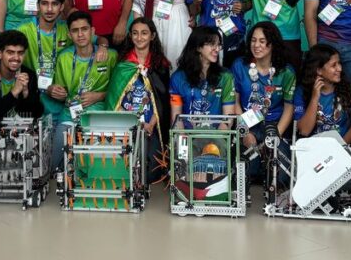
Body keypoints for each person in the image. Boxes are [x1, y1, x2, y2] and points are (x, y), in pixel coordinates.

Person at [44, 11, 119, 168]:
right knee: (54, 163)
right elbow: (58, 89)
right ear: (69, 35)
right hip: (70, 114)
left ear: (92, 31)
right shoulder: (64, 58)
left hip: (96, 115)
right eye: (75, 30)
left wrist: (99, 96)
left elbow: (119, 92)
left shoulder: (110, 56)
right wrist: (55, 91)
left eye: (84, 29)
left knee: (92, 164)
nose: (80, 34)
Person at [229, 21, 296, 179]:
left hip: (274, 125)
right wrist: (244, 132)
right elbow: (235, 102)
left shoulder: (286, 71)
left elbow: (289, 108)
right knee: (245, 172)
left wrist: (275, 136)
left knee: (281, 176)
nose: (256, 45)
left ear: (272, 44)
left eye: (262, 41)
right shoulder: (240, 65)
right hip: (248, 124)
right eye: (253, 40)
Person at [107, 18, 172, 178]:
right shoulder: (123, 64)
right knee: (121, 169)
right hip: (126, 123)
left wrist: (150, 124)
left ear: (152, 36)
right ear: (130, 36)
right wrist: (131, 122)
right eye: (135, 33)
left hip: (151, 125)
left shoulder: (161, 65)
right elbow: (115, 99)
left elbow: (162, 103)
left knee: (152, 173)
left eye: (144, 33)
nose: (139, 37)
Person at [169, 26, 238, 123]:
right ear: (198, 47)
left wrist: (220, 133)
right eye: (212, 44)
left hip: (217, 132)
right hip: (186, 132)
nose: (217, 49)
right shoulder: (178, 77)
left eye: (218, 45)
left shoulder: (226, 76)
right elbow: (176, 119)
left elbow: (228, 118)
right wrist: (183, 133)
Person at [294, 44, 351, 144]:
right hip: (312, 148)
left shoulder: (349, 89)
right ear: (319, 70)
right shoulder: (301, 91)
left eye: (339, 63)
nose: (340, 68)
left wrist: (341, 147)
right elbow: (304, 131)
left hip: (342, 147)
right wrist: (315, 97)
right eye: (333, 65)